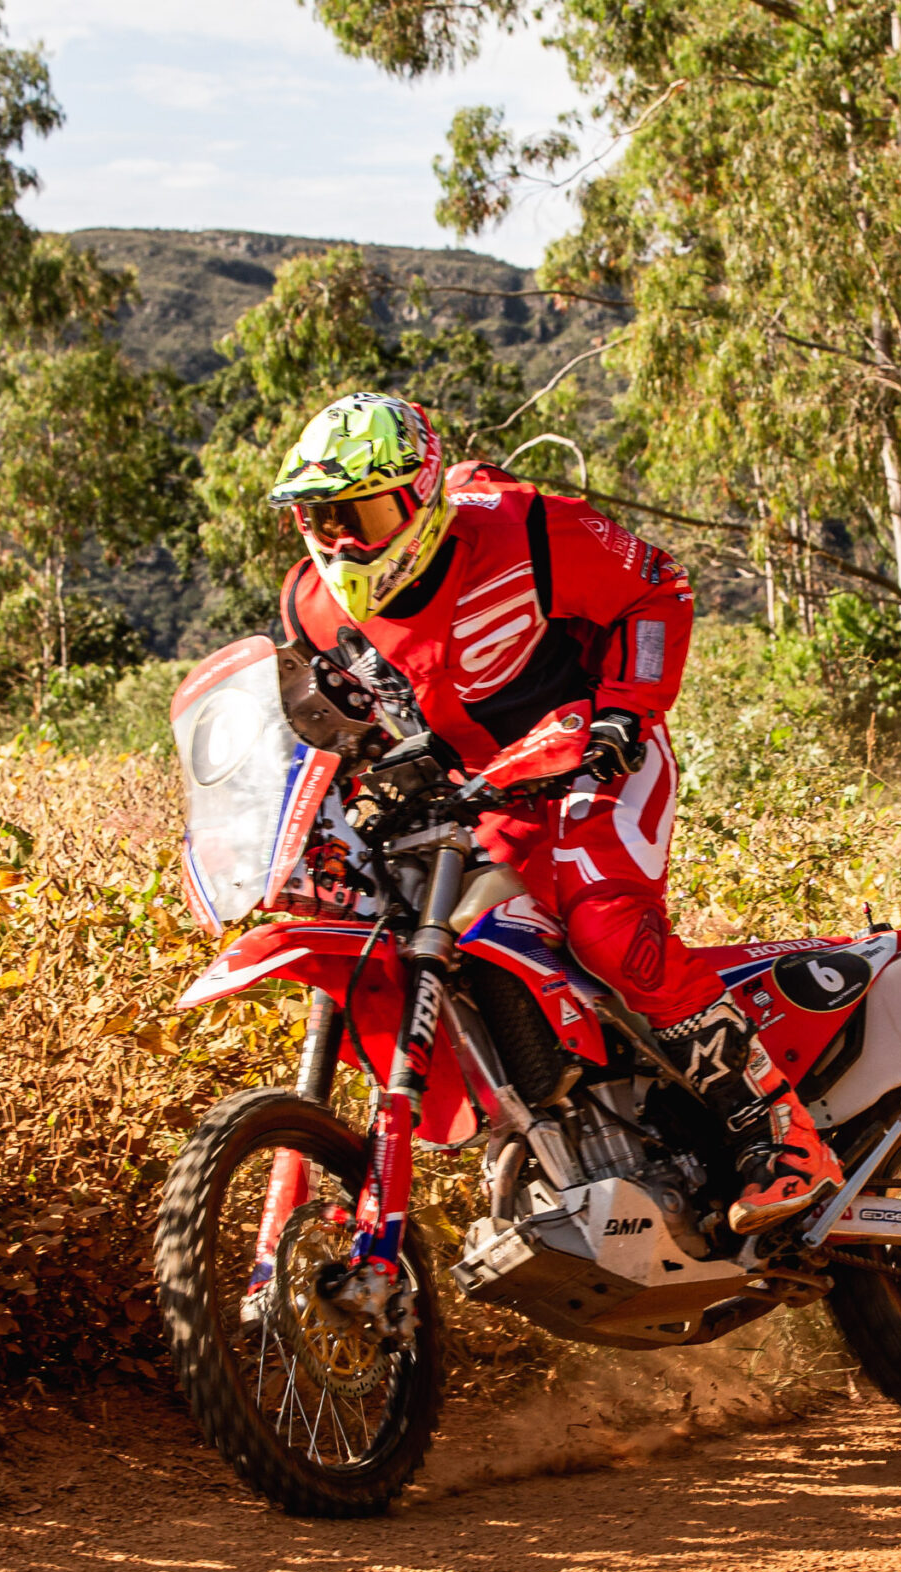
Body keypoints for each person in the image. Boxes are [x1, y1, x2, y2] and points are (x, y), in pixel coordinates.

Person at [267, 391, 841, 1235]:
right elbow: (325, 735)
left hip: (591, 751)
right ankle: (579, 1148)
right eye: (319, 517)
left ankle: (780, 1132)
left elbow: (657, 587)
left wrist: (625, 709)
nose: (342, 540)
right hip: (473, 797)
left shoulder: (522, 525)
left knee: (606, 928)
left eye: (362, 512)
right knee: (432, 948)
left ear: (422, 495)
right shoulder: (309, 608)